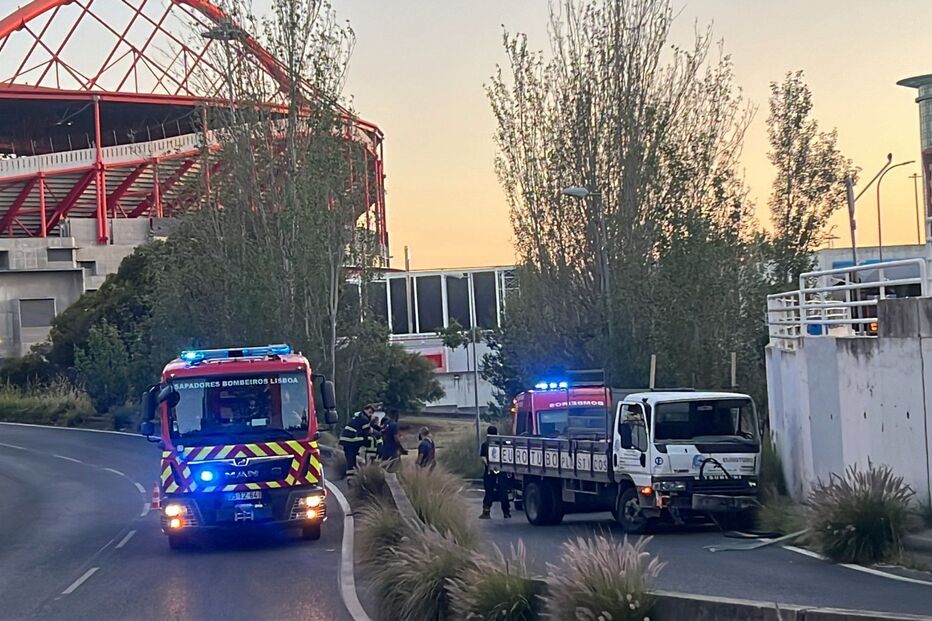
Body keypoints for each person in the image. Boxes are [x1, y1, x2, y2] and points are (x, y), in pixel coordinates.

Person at [479, 425, 510, 519]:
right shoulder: (503, 443)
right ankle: (506, 512)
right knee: (503, 492)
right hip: (502, 471)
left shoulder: (485, 444)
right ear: (497, 433)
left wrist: (488, 465)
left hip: (490, 472)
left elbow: (483, 457)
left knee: (489, 492)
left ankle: (486, 512)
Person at [339, 405, 374, 472]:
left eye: (372, 413)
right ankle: (370, 461)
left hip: (345, 440)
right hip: (352, 439)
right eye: (370, 412)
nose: (370, 414)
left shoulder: (357, 417)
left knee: (350, 462)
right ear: (365, 410)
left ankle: (350, 475)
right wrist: (371, 431)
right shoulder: (365, 419)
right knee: (371, 440)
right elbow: (366, 433)